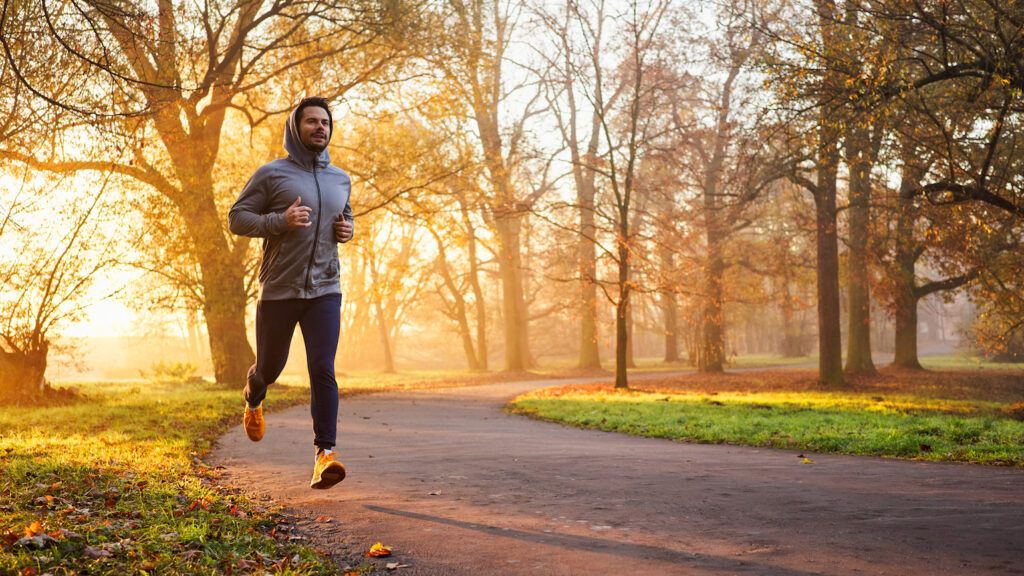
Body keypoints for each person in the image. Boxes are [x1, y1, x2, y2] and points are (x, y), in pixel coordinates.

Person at [228, 96, 354, 489]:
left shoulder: (340, 178)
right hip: (280, 289)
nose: (320, 128)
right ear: (295, 128)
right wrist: (279, 221)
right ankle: (253, 397)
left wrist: (348, 230)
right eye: (312, 122)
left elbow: (345, 216)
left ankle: (324, 455)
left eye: (325, 123)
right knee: (270, 367)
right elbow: (237, 218)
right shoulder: (272, 174)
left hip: (325, 289)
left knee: (323, 368)